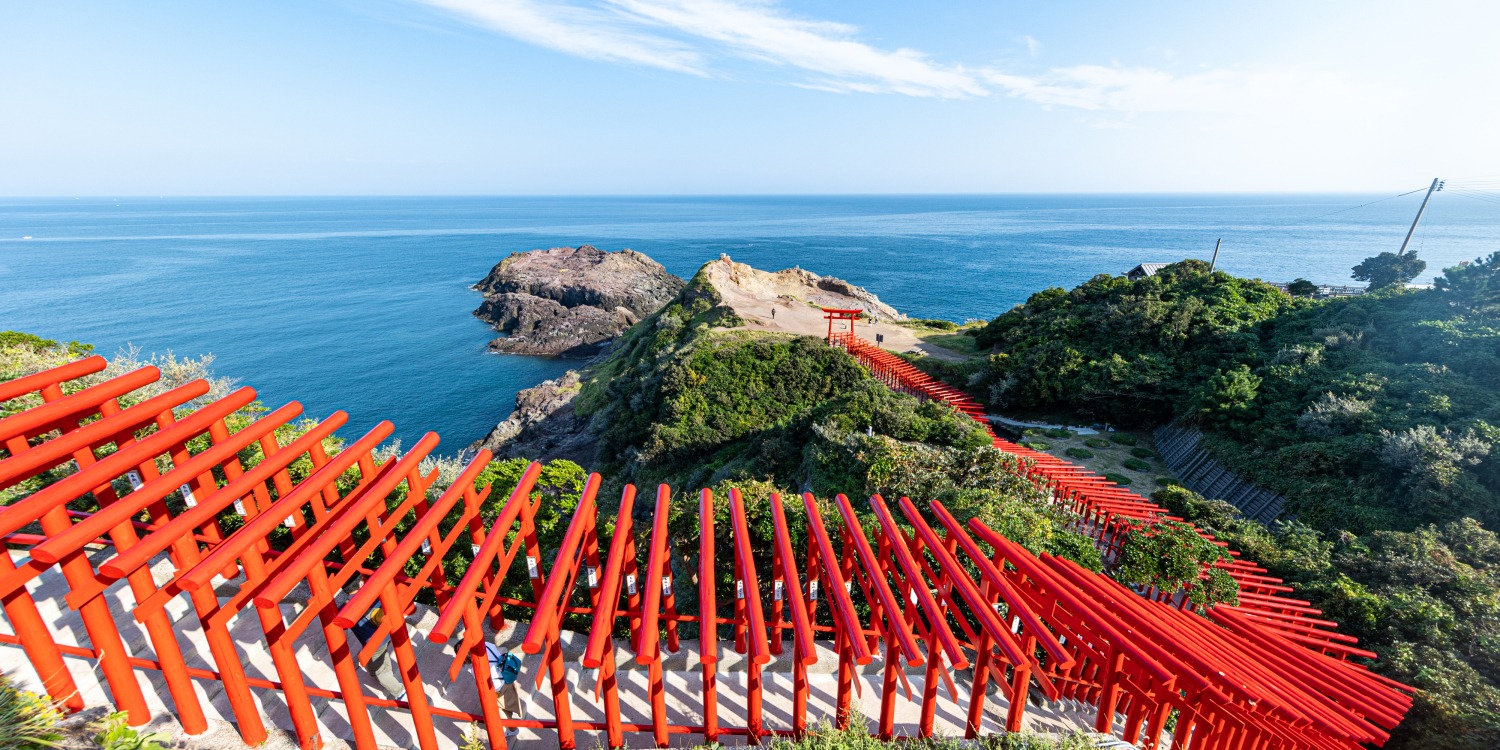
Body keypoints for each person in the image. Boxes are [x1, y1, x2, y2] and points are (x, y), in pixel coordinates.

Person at [486, 644, 526, 739]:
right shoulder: (487, 644)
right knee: (507, 702)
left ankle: (513, 729)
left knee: (499, 710)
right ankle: (511, 722)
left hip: (497, 687)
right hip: (506, 675)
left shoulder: (474, 667)